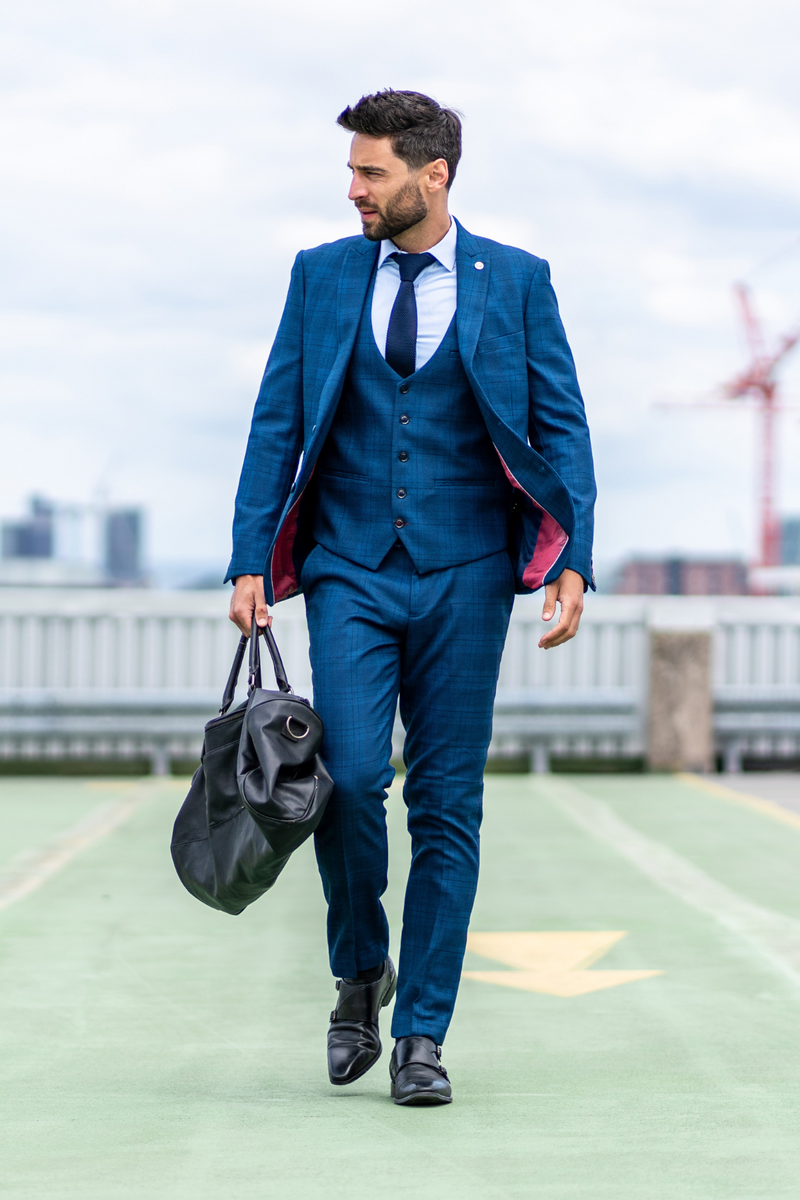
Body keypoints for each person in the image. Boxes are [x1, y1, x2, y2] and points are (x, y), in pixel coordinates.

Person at [227, 89, 596, 1106]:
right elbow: (275, 421)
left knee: (447, 804)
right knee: (344, 780)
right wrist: (250, 556)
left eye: (371, 172)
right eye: (352, 172)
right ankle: (360, 971)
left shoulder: (515, 281)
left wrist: (572, 558)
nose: (353, 190)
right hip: (347, 566)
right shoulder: (321, 275)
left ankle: (421, 1033)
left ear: (431, 177)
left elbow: (559, 426)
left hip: (468, 571)